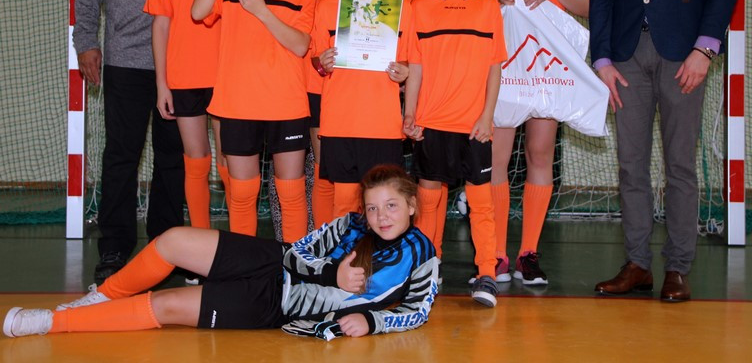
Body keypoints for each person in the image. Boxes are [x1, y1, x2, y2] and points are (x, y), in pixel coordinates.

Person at [3, 165, 439, 338]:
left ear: (412, 206)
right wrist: (332, 274)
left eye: (391, 206)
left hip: (278, 303)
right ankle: (96, 299)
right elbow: (299, 250)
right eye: (373, 207)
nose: (381, 216)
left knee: (167, 305)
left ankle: (51, 322)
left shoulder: (423, 255)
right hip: (271, 260)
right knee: (173, 239)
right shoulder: (351, 224)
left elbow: (417, 311)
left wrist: (369, 320)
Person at [589, 0, 738, 302]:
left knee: (680, 167)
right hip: (625, 57)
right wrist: (601, 59)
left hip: (684, 55)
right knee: (630, 166)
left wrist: (705, 48)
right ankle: (637, 265)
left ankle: (677, 267)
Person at [72, 0, 189, 283]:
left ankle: (167, 246)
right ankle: (115, 248)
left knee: (174, 157)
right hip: (127, 57)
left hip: (186, 63)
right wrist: (86, 39)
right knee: (122, 155)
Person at [473, 0, 591, 287]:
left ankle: (528, 254)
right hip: (505, 66)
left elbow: (589, 4)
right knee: (496, 160)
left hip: (547, 67)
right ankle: (496, 254)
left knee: (540, 155)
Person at [191, 0, 316, 241]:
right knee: (242, 194)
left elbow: (300, 45)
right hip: (237, 103)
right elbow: (198, 11)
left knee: (291, 193)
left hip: (286, 104)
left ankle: (292, 265)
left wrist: (261, 10)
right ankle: (243, 266)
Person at [404, 0, 507, 308]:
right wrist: (411, 114)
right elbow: (415, 68)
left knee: (481, 204)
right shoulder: (419, 5)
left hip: (473, 126)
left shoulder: (488, 7)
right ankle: (429, 266)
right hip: (431, 123)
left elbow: (495, 68)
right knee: (428, 202)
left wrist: (487, 116)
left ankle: (486, 272)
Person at [143, 0, 232, 231]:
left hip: (227, 75)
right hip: (183, 76)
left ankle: (237, 244)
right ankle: (201, 242)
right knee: (195, 161)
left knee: (230, 163)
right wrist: (162, 84)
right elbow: (161, 24)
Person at [312, 0, 411, 218]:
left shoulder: (401, 6)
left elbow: (409, 62)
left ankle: (379, 250)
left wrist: (404, 72)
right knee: (345, 205)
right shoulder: (328, 5)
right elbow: (316, 60)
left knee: (384, 205)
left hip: (383, 125)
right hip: (340, 123)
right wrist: (323, 62)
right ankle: (345, 252)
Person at [296, 0, 367, 227]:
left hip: (368, 85)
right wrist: (317, 61)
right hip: (319, 82)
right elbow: (302, 30)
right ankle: (326, 244)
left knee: (366, 171)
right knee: (327, 168)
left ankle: (363, 244)